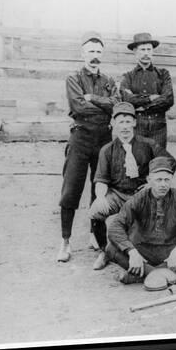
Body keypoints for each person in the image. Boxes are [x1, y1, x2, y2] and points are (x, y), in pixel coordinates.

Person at [57, 31, 120, 263]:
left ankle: (95, 234)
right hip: (81, 137)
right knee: (71, 188)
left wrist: (93, 98)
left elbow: (116, 105)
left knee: (99, 188)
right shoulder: (73, 78)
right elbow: (79, 108)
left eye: (98, 52)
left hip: (103, 138)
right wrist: (100, 106)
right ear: (82, 54)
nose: (94, 56)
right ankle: (65, 241)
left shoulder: (109, 81)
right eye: (90, 51)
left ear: (102, 54)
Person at [89, 102, 175, 270]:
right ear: (114, 124)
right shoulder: (107, 150)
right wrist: (100, 198)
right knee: (96, 211)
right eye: (121, 122)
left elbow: (170, 161)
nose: (125, 127)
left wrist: (152, 184)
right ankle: (104, 251)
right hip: (118, 194)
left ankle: (152, 253)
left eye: (128, 121)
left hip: (142, 194)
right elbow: (101, 179)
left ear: (135, 123)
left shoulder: (148, 144)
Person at [106, 157, 176, 288]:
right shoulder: (138, 198)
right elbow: (115, 227)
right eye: (158, 180)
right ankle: (167, 275)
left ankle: (139, 274)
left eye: (167, 180)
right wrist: (132, 252)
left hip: (170, 250)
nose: (163, 184)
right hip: (143, 250)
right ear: (149, 180)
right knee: (111, 249)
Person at [120, 33, 174, 148]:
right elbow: (127, 99)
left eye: (149, 49)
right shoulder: (128, 76)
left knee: (158, 161)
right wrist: (150, 98)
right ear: (135, 51)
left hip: (158, 126)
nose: (146, 53)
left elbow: (168, 99)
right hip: (137, 126)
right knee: (139, 161)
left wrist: (141, 104)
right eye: (142, 49)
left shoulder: (163, 74)